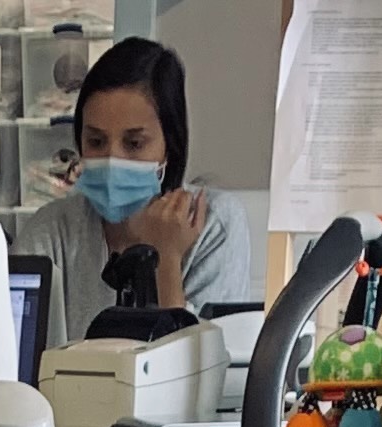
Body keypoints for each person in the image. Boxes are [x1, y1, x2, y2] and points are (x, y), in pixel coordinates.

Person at [37, 39, 252, 348]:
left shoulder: (214, 225)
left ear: (170, 147)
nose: (112, 159)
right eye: (96, 141)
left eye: (134, 144)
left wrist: (166, 258)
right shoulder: (53, 230)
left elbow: (197, 377)